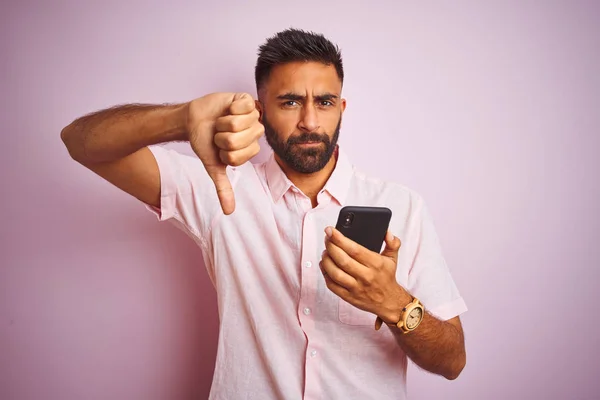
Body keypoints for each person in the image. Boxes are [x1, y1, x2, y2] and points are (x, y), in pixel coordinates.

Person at [61, 28, 467, 400]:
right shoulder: (219, 187)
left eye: (324, 102)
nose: (310, 121)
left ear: (341, 107)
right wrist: (180, 119)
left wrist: (394, 304)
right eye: (290, 101)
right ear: (260, 110)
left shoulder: (404, 206)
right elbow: (80, 143)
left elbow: (452, 362)